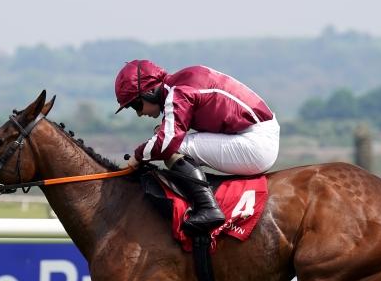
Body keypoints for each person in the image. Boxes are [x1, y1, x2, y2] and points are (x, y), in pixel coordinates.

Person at [114, 59, 280, 233]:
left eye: (136, 105)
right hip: (256, 134)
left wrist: (138, 156)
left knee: (172, 148)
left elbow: (166, 144)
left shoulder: (178, 92)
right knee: (165, 139)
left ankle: (208, 208)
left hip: (256, 144)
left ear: (150, 92)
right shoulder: (179, 84)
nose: (139, 113)